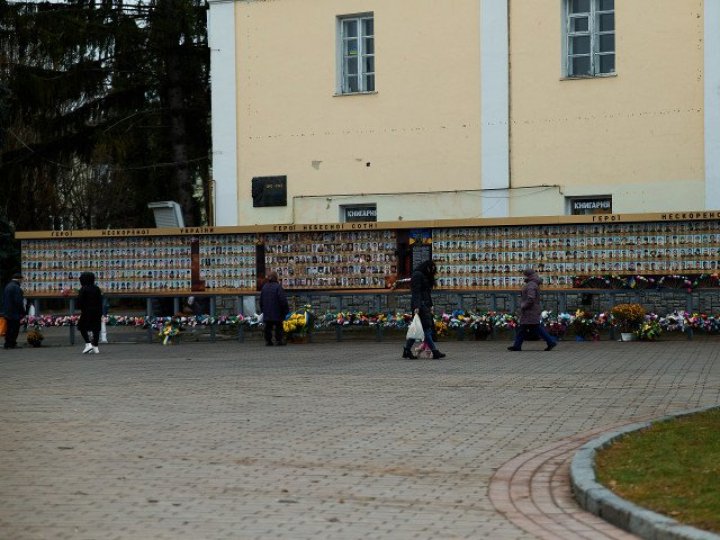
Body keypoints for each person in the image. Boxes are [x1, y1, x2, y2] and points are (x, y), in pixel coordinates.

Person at [403, 260, 446, 359]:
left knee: (418, 329)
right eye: (431, 268)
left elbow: (426, 292)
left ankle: (406, 350)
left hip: (424, 305)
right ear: (427, 267)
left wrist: (430, 305)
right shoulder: (417, 275)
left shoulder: (423, 275)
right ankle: (435, 352)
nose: (432, 271)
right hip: (420, 305)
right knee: (426, 329)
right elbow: (416, 292)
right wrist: (417, 306)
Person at [508, 267, 557, 352]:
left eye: (524, 275)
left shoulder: (531, 285)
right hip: (531, 310)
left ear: (528, 275)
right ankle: (517, 346)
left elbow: (531, 298)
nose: (523, 277)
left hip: (530, 311)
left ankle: (551, 341)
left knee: (533, 328)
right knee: (524, 329)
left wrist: (524, 305)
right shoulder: (533, 283)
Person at [259, 271, 289, 346]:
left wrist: (263, 310)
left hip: (267, 311)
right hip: (277, 311)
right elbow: (283, 300)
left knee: (268, 327)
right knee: (279, 326)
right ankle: (279, 340)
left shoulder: (264, 287)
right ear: (276, 278)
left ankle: (268, 341)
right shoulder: (278, 287)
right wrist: (285, 310)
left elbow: (261, 300)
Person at [77, 272, 103, 354]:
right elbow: (100, 300)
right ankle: (95, 346)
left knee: (81, 326)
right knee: (96, 328)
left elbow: (80, 301)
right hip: (97, 311)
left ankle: (88, 344)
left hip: (86, 311)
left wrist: (80, 307)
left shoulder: (83, 289)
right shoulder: (97, 288)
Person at [2, 273, 26, 349]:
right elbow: (18, 301)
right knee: (15, 328)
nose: (22, 281)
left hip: (7, 311)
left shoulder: (8, 286)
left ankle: (7, 343)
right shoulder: (16, 287)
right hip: (14, 312)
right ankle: (12, 343)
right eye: (22, 279)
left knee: (9, 328)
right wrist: (22, 311)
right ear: (19, 279)